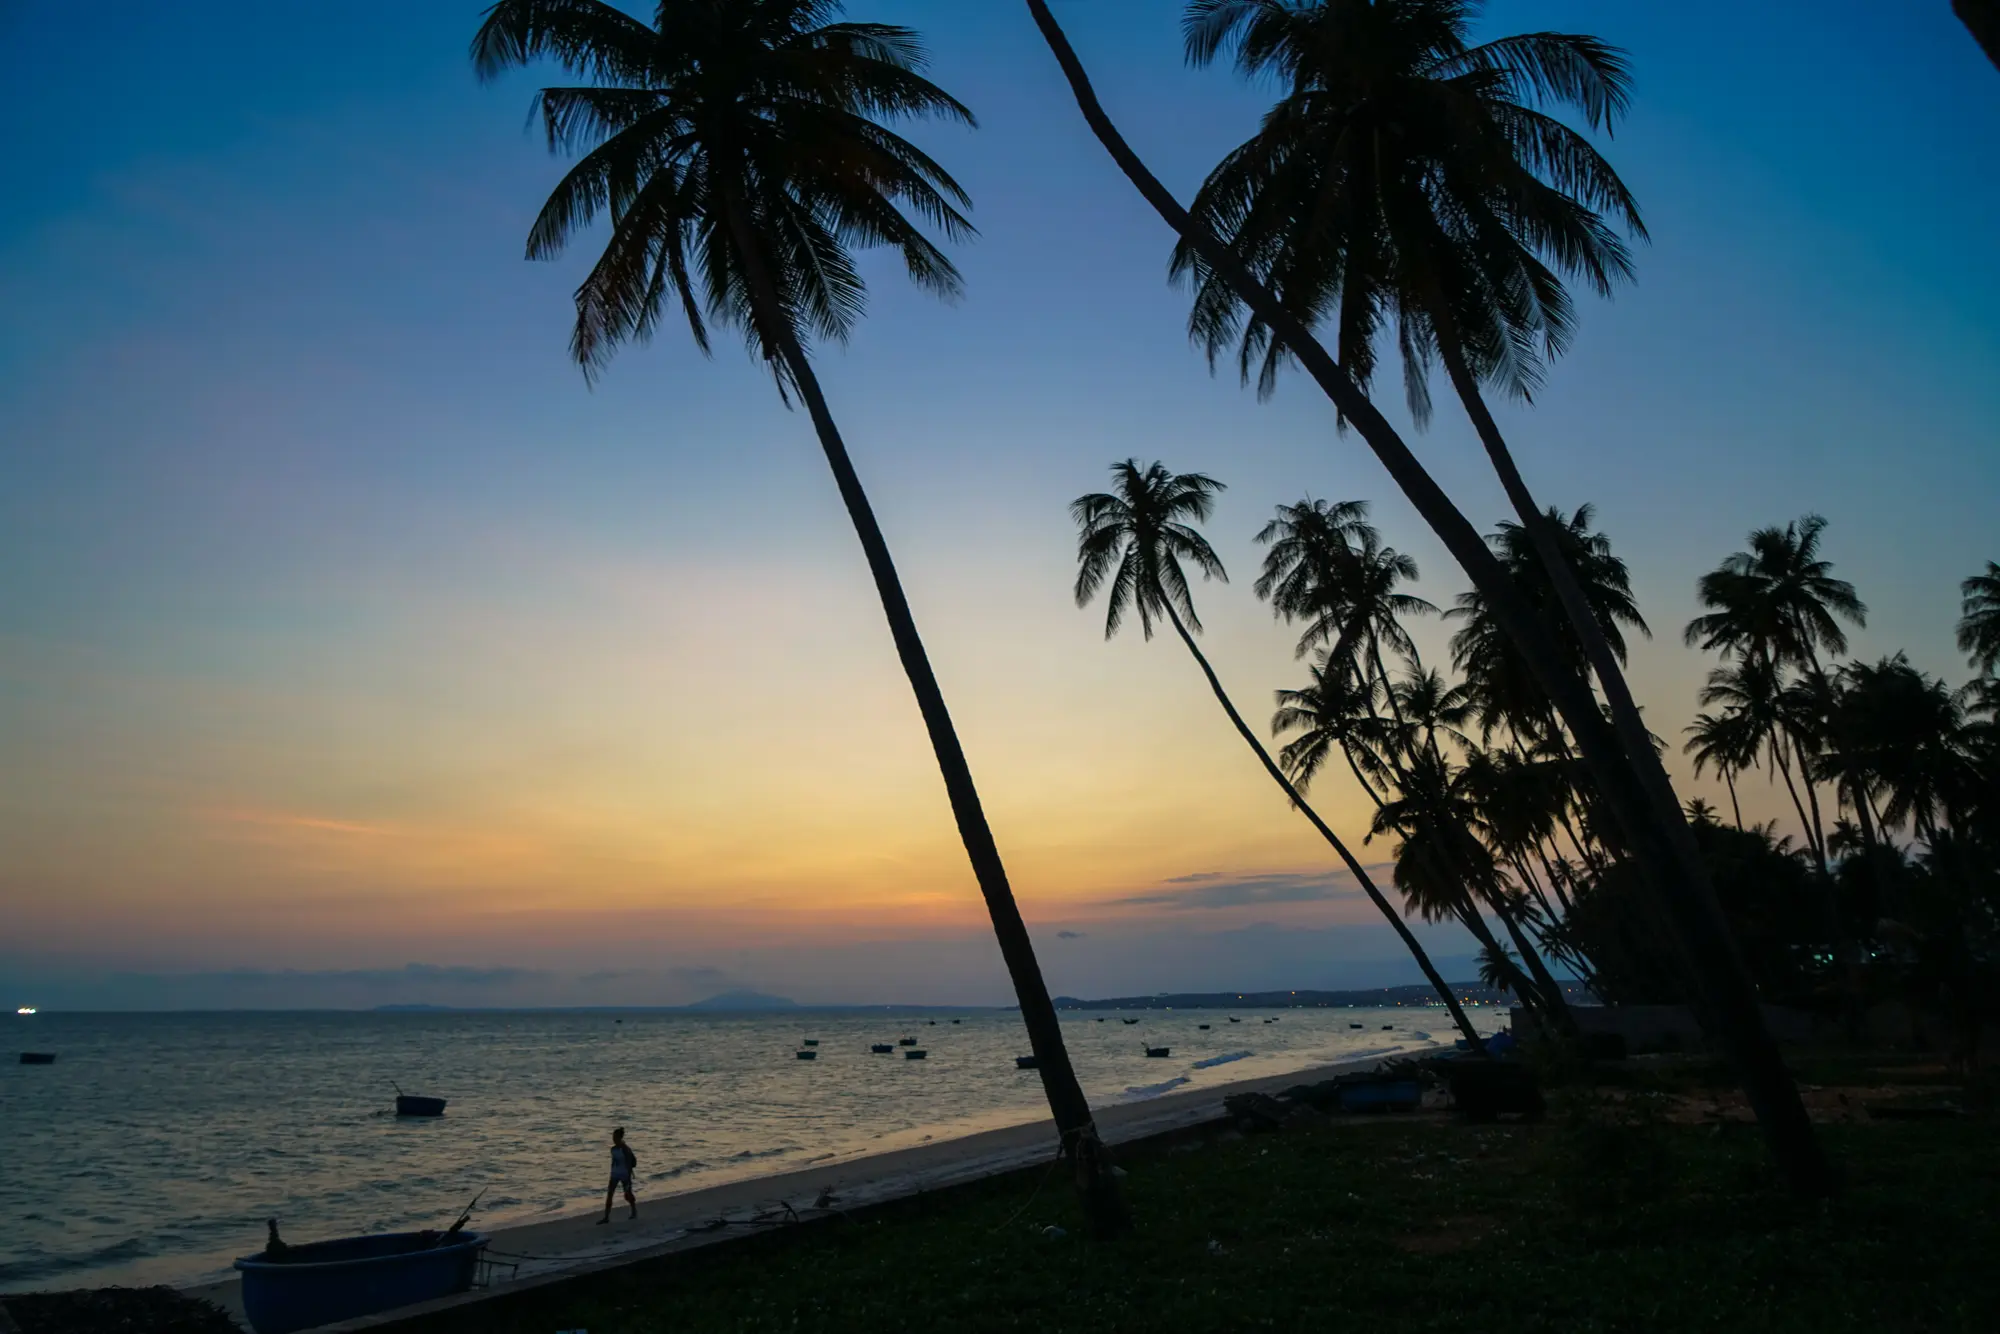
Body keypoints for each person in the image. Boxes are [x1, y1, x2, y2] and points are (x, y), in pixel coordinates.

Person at [599, 1127, 638, 1223]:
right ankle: (606, 1217)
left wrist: (629, 1176)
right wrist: (612, 1172)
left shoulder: (625, 1149)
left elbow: (631, 1163)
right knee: (610, 1194)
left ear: (619, 1138)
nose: (613, 1139)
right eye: (613, 1137)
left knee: (627, 1195)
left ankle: (634, 1211)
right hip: (615, 1174)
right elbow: (613, 1162)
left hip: (625, 1174)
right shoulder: (613, 1149)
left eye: (615, 1137)